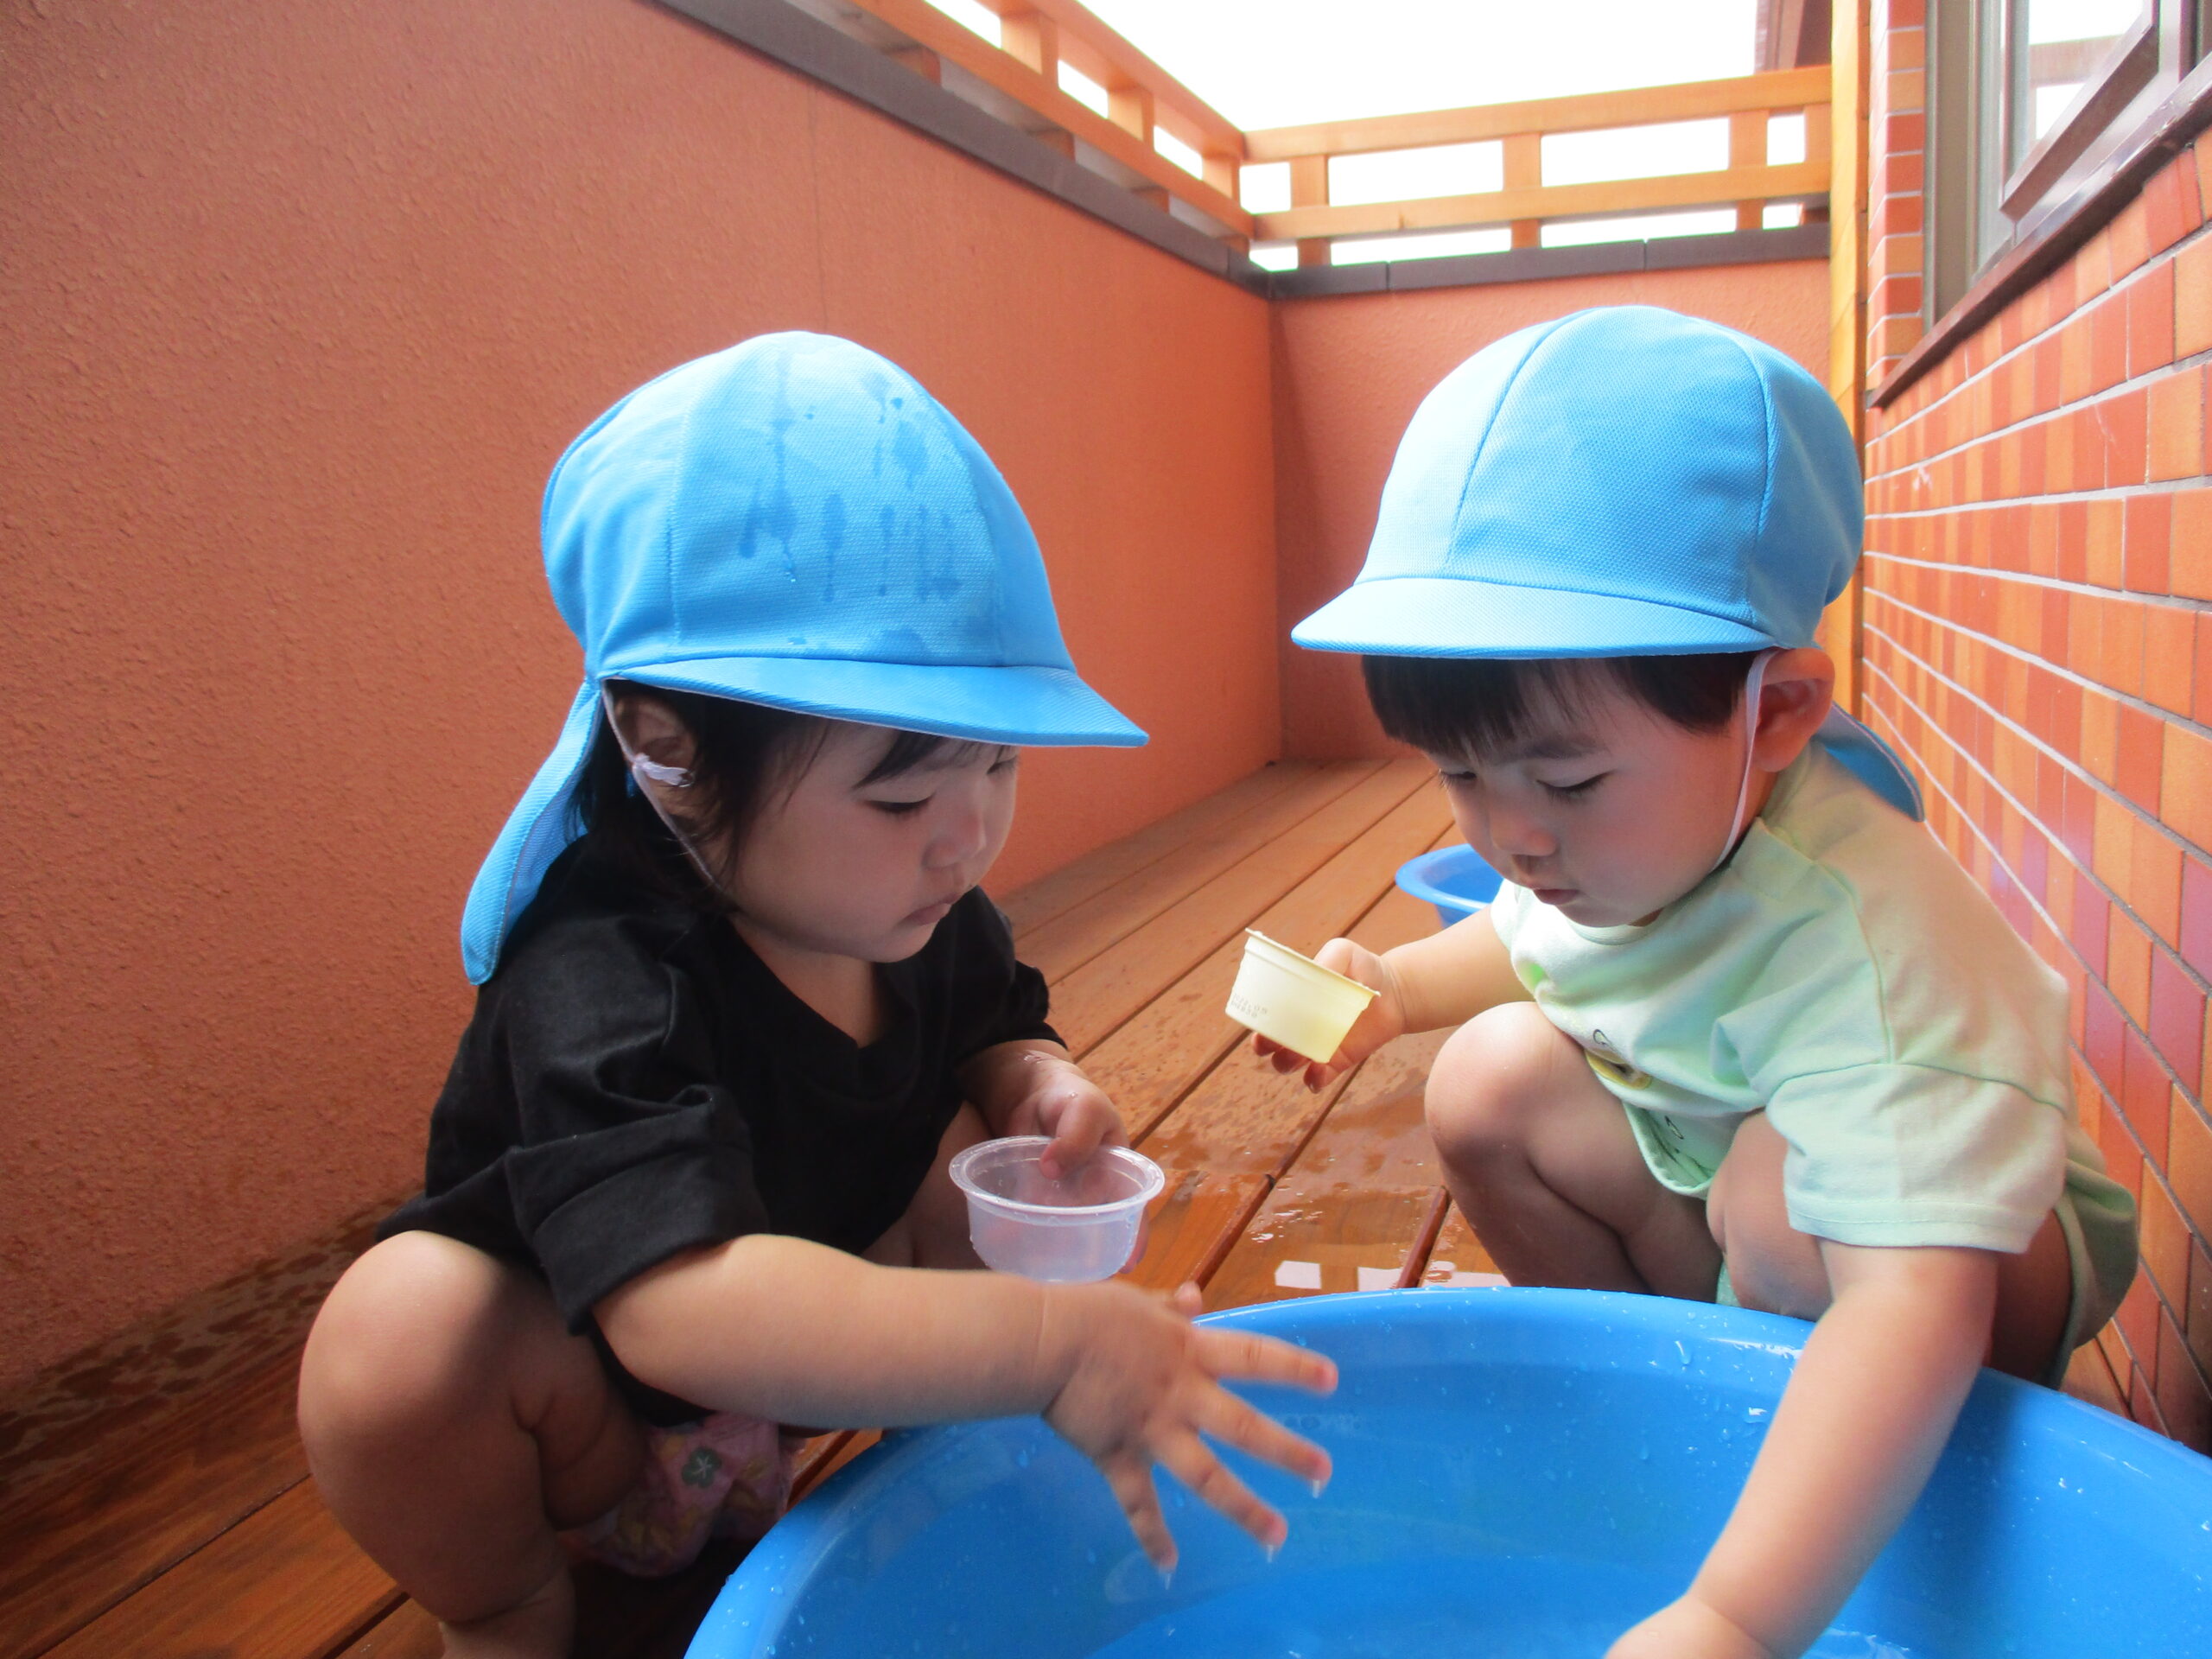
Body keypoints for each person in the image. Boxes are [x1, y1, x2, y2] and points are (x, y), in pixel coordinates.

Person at [299, 333, 1335, 1659]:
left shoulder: (914, 899)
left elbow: (993, 1017)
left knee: (982, 1156)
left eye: (999, 769)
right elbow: (678, 1306)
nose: (967, 838)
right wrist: (1052, 1345)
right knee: (398, 1340)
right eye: (902, 793)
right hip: (594, 1434)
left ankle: (952, 1483)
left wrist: (1034, 1079)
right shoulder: (599, 972)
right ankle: (505, 1609)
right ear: (665, 750)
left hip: (813, 1386)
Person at [1263, 307, 2136, 1659]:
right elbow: (1539, 941)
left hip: (1962, 1264)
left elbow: (1921, 1300)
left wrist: (1731, 1618)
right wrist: (1387, 986)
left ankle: (1796, 1495)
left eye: (1563, 778)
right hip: (1739, 1186)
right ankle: (1680, 1399)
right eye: (1462, 775)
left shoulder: (1879, 951)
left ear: (1776, 713)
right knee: (1489, 1077)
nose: (1513, 834)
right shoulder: (1639, 833)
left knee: (1784, 1204)